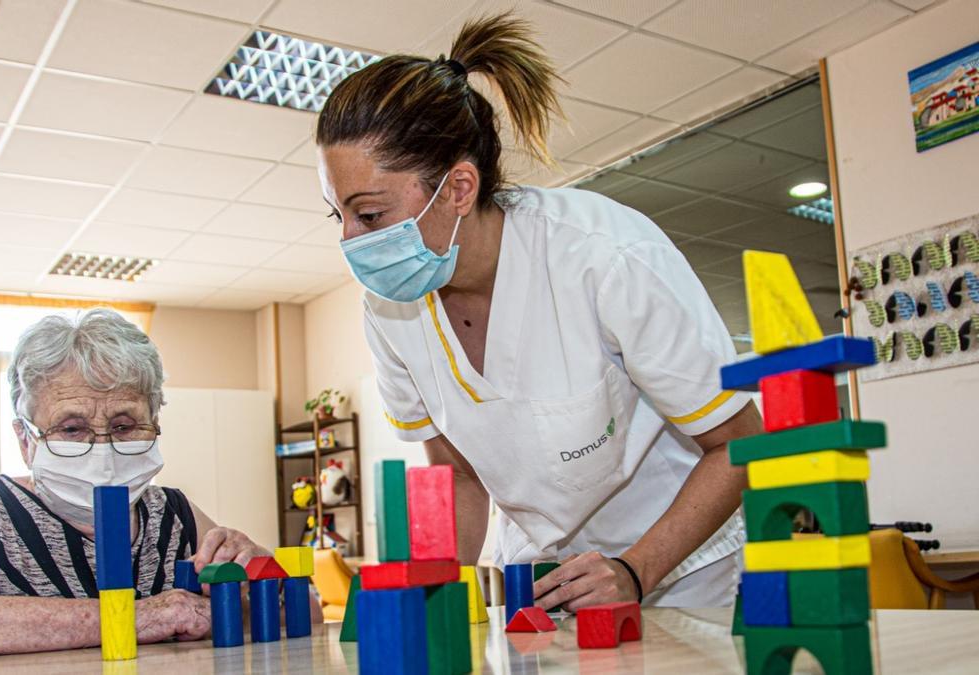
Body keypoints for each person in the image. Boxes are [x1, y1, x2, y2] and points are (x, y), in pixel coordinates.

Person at [317, 13, 763, 610]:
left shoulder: (604, 256)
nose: (349, 240)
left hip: (679, 569)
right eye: (336, 215)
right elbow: (460, 477)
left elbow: (737, 445)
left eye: (369, 215)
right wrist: (428, 599)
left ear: (458, 188)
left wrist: (634, 571)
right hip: (538, 575)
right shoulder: (390, 310)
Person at [0, 309, 319, 659]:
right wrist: (134, 619)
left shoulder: (172, 512)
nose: (101, 448)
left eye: (125, 426)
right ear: (26, 438)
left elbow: (308, 614)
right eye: (72, 428)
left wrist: (262, 576)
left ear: (155, 423)